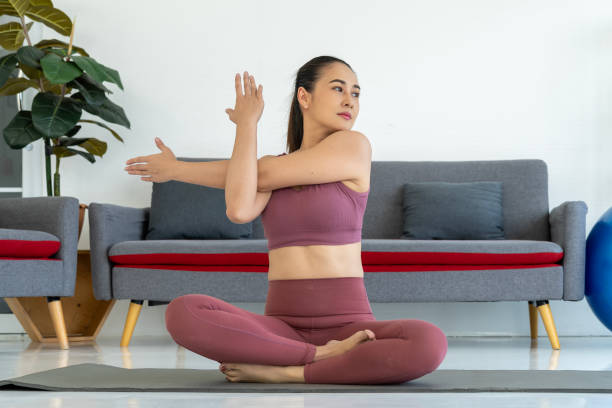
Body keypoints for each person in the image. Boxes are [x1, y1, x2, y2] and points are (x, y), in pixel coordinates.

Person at [124, 56, 448, 384]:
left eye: (356, 93)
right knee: (184, 312)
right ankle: (318, 358)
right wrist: (246, 125)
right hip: (281, 329)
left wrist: (179, 169)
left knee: (429, 342)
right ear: (304, 97)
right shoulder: (269, 170)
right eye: (338, 88)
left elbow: (255, 173)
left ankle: (290, 371)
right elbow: (238, 209)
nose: (350, 99)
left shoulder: (354, 146)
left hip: (350, 327)